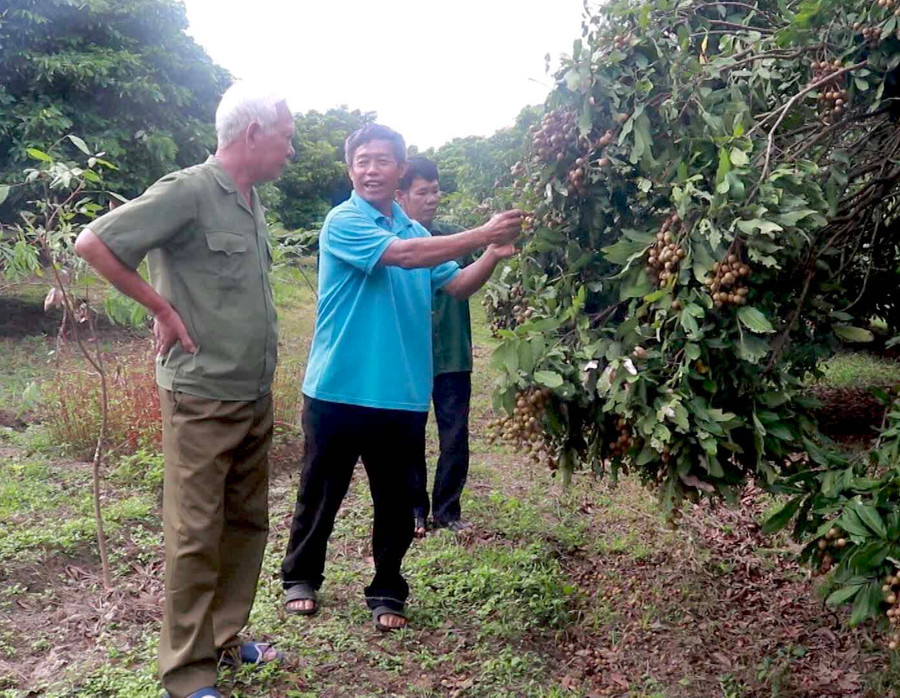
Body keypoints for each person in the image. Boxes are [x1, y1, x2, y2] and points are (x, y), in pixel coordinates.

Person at [74, 82, 295, 698]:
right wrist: (161, 310)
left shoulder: (249, 201)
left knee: (245, 525)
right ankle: (187, 673)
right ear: (252, 134)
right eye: (286, 138)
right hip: (201, 396)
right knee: (196, 534)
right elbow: (94, 243)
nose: (291, 151)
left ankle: (224, 637)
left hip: (251, 392)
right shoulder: (189, 190)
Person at [280, 124, 521, 630]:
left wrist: (492, 256)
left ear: (399, 170)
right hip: (338, 386)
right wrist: (482, 233)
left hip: (402, 392)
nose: (371, 169)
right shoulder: (343, 222)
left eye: (382, 161)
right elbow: (402, 259)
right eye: (362, 160)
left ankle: (387, 588)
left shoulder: (419, 233)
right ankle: (301, 576)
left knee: (394, 501)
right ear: (351, 169)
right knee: (321, 490)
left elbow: (455, 285)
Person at [396, 156, 473, 537]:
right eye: (422, 192)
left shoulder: (456, 239)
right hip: (411, 355)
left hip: (454, 354)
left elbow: (470, 279)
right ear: (402, 196)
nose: (431, 199)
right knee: (409, 434)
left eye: (435, 190)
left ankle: (447, 510)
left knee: (455, 434)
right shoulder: (392, 242)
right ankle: (414, 509)